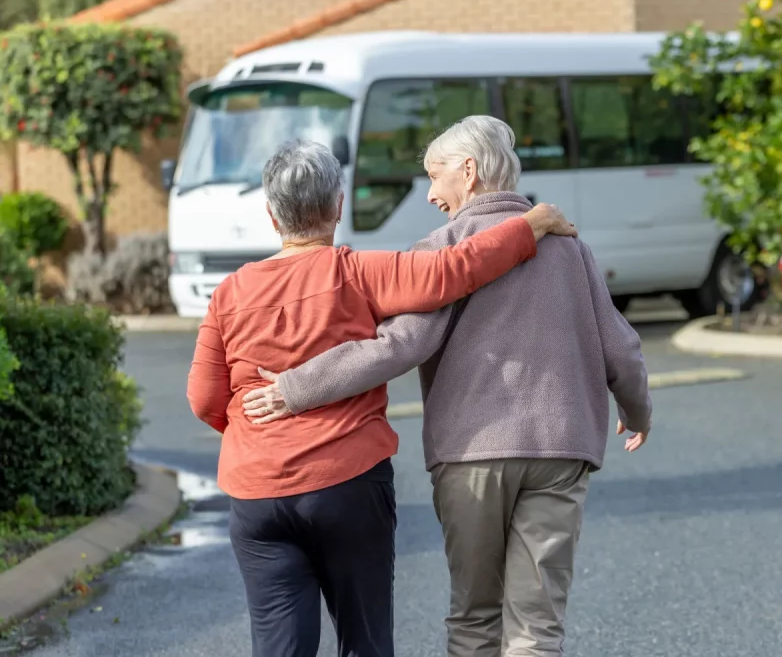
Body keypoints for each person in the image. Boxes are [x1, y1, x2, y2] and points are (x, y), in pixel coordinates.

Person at [242, 116, 653, 656]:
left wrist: (295, 388)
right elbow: (620, 346)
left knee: (475, 617)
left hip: (470, 454)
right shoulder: (570, 248)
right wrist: (636, 411)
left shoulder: (439, 249)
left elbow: (396, 347)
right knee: (537, 624)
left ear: (469, 171)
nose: (431, 194)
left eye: (436, 176)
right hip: (560, 450)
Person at [185, 138, 577, 657]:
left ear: (272, 215)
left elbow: (203, 398)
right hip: (347, 483)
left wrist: (256, 438)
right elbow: (454, 270)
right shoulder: (358, 272)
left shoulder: (228, 294)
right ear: (338, 205)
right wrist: (530, 225)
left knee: (279, 645)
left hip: (257, 492)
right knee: (365, 640)